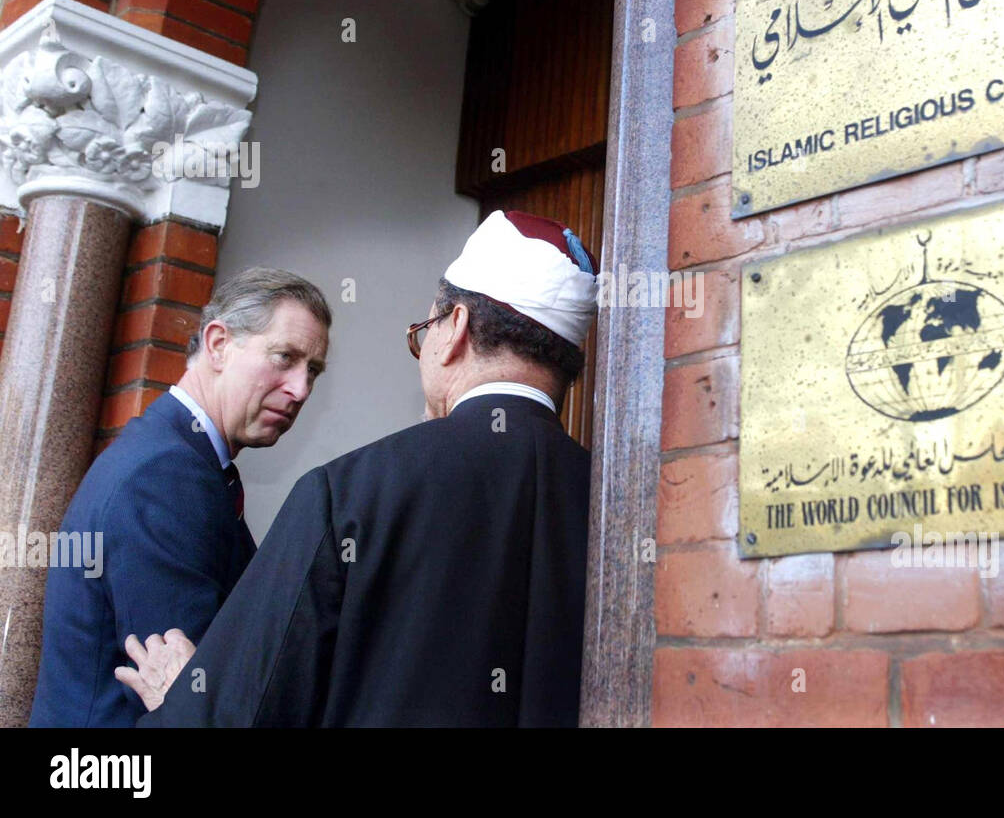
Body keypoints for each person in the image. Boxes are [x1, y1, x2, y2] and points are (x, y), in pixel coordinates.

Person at [118, 210, 598, 726]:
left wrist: (183, 700)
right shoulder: (622, 508)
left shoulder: (347, 492)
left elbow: (245, 713)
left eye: (424, 331)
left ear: (454, 326)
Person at [28, 268, 331, 727]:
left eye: (312, 370)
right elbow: (191, 696)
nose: (300, 389)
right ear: (217, 344)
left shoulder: (180, 459)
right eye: (283, 357)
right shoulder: (164, 476)